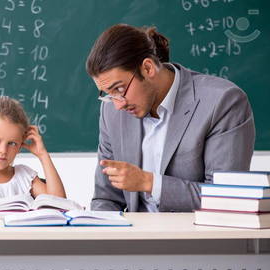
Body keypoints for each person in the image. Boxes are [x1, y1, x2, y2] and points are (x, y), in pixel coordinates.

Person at [85, 24, 255, 212]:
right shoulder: (112, 112)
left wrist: (148, 182)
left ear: (148, 68)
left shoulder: (222, 102)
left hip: (196, 238)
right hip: (133, 238)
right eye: (108, 94)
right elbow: (106, 199)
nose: (118, 104)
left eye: (119, 89)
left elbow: (226, 197)